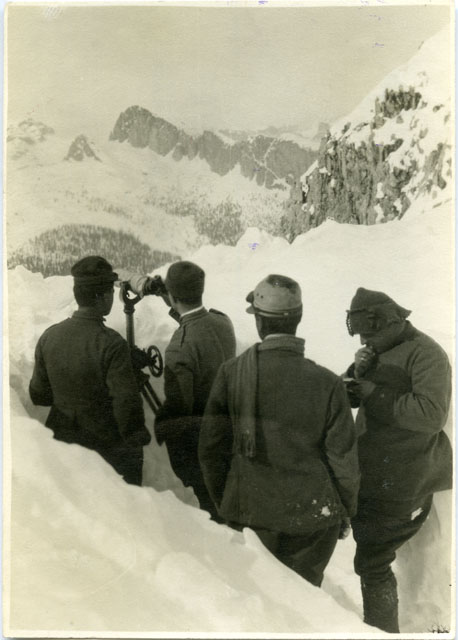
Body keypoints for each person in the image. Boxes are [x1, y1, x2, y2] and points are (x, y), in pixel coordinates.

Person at [198, 274, 360, 586]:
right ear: (298, 318)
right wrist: (344, 510)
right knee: (303, 602)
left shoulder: (232, 373)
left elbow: (210, 450)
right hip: (313, 520)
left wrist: (227, 502)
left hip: (249, 515)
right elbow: (344, 462)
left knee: (256, 600)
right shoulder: (328, 383)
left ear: (259, 321)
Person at [344, 287, 452, 633]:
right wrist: (356, 374)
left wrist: (373, 393)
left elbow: (431, 415)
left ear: (391, 322)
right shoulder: (379, 348)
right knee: (369, 551)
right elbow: (354, 392)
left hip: (405, 479)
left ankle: (382, 631)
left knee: (372, 562)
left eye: (370, 333)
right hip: (374, 472)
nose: (365, 340)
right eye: (360, 334)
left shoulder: (427, 354)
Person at [126, 261, 236, 520]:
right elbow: (198, 324)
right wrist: (173, 301)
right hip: (228, 432)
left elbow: (179, 407)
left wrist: (164, 428)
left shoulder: (179, 348)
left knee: (211, 506)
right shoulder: (223, 322)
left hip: (201, 444)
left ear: (173, 296)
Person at [29, 256, 151, 485]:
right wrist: (137, 437)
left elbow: (39, 396)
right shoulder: (112, 343)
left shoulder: (49, 336)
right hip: (104, 450)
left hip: (60, 443)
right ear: (102, 297)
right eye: (110, 292)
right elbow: (126, 406)